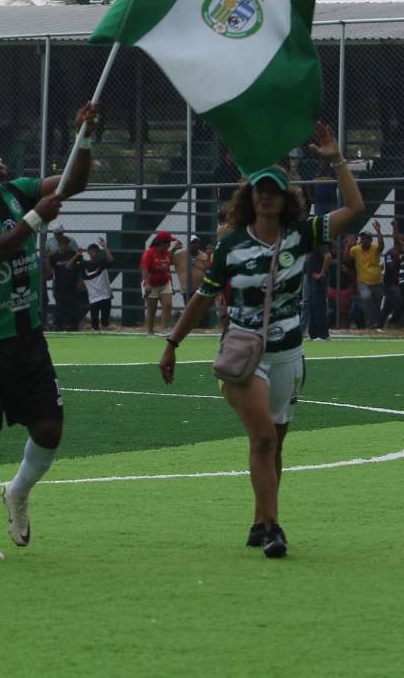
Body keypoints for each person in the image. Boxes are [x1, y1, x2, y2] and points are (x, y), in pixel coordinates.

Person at [159, 123, 363, 559]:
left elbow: (356, 209)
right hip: (245, 357)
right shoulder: (231, 244)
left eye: (273, 189)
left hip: (289, 353)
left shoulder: (302, 235)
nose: (266, 196)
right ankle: (273, 528)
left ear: (284, 196)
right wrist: (173, 342)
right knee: (264, 440)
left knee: (277, 444)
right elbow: (203, 297)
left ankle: (258, 519)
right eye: (259, 190)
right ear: (250, 197)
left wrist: (337, 159)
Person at [0, 101, 99, 560]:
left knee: (49, 429)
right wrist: (34, 219)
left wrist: (84, 136)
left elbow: (76, 182)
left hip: (29, 336)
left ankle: (19, 492)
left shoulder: (17, 190)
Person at [347, 224, 385, 330]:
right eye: (363, 238)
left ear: (371, 240)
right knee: (367, 303)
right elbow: (347, 258)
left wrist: (378, 231)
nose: (364, 240)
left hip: (377, 281)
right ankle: (370, 324)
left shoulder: (374, 249)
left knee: (377, 303)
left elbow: (381, 246)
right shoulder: (355, 249)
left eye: (367, 238)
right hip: (363, 282)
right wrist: (348, 244)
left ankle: (376, 324)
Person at [140, 231, 176, 336]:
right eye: (169, 242)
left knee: (168, 305)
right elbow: (144, 269)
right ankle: (150, 332)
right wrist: (147, 284)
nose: (170, 245)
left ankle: (164, 329)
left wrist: (171, 283)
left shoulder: (167, 253)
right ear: (162, 243)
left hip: (165, 283)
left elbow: (167, 269)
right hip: (151, 284)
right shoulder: (149, 253)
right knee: (152, 309)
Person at [49, 236, 83, 331]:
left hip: (72, 284)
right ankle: (58, 325)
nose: (65, 246)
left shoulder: (73, 254)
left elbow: (80, 267)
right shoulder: (54, 257)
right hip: (60, 284)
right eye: (63, 244)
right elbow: (64, 266)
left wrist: (80, 280)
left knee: (73, 305)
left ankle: (73, 325)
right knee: (60, 305)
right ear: (59, 245)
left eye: (66, 244)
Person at [82, 239, 114, 331]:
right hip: (94, 296)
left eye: (96, 251)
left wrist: (105, 247)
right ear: (88, 252)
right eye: (92, 251)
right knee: (94, 324)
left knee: (105, 323)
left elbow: (111, 260)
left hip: (105, 294)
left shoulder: (102, 262)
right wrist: (77, 255)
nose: (94, 253)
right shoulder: (84, 264)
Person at [171, 235, 211, 303]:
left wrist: (209, 255)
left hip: (200, 289)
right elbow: (168, 260)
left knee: (200, 311)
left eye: (197, 243)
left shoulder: (204, 256)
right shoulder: (180, 254)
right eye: (193, 243)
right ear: (188, 244)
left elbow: (208, 268)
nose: (195, 245)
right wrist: (173, 249)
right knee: (189, 310)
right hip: (186, 290)